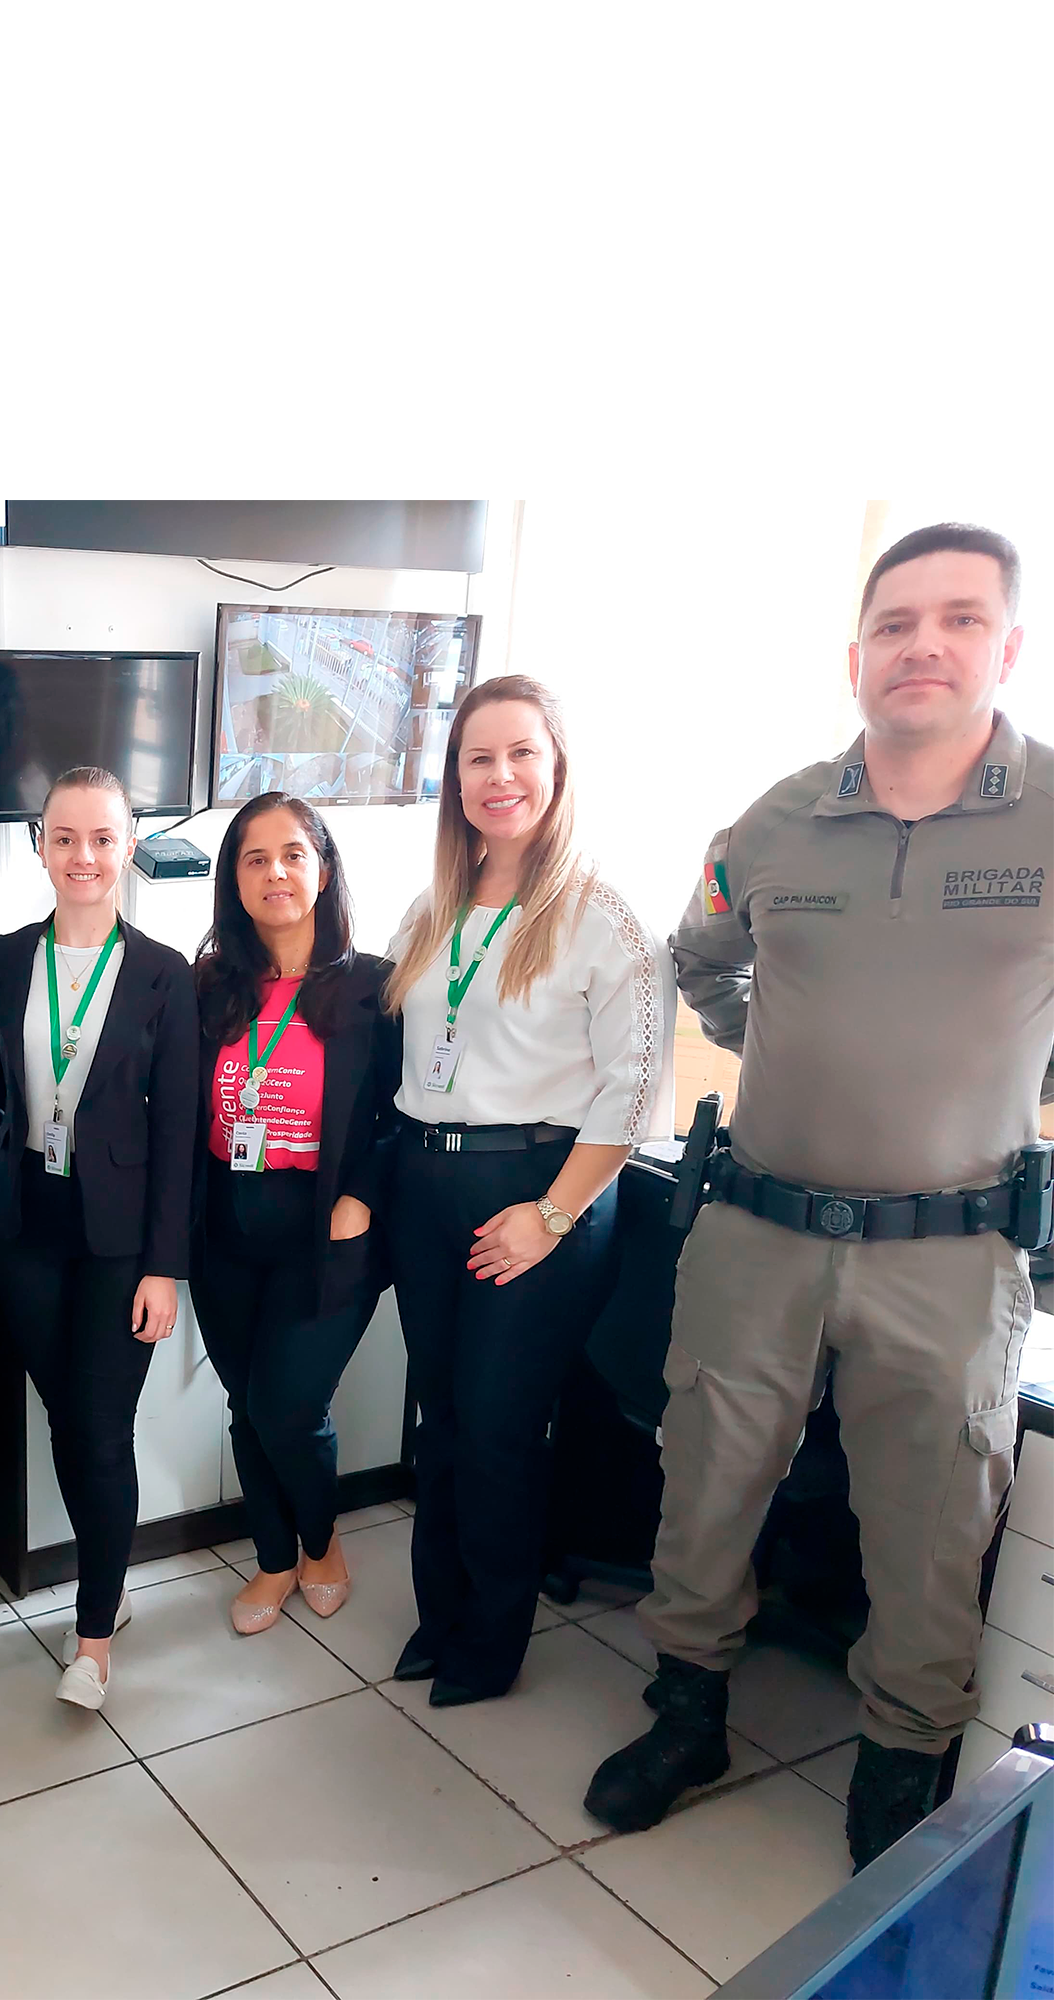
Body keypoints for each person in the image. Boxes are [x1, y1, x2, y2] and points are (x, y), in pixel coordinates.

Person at [586, 523, 1054, 1870]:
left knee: (931, 1528)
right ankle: (685, 1714)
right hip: (759, 1229)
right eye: (894, 623)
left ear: (1007, 645)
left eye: (958, 619)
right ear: (856, 657)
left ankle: (901, 1767)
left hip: (949, 1250)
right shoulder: (773, 821)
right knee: (703, 1489)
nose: (923, 645)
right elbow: (704, 960)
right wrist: (783, 1050)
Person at [385, 675, 673, 1707]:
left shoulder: (601, 918)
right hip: (427, 1181)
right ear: (454, 778)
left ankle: (490, 1638)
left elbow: (632, 1091)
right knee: (443, 1420)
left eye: (521, 754)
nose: (498, 776)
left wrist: (551, 1214)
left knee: (500, 1426)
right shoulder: (433, 908)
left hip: (539, 1190)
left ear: (556, 770)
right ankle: (440, 1614)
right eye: (478, 757)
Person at [0, 766, 199, 1707]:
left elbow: (177, 1133)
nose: (83, 856)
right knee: (70, 1418)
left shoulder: (164, 972)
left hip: (119, 1242)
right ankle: (111, 1580)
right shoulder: (9, 957)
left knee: (98, 1427)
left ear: (129, 846)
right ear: (40, 846)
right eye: (64, 838)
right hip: (27, 1231)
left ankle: (93, 1636)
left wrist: (165, 1267)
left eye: (102, 838)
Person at [189, 792, 397, 1635]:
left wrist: (361, 1198)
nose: (275, 872)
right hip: (225, 1221)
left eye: (292, 854)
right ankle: (274, 1558)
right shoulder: (209, 985)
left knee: (289, 1406)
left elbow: (402, 1113)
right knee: (247, 1404)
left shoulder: (375, 985)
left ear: (323, 869)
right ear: (234, 880)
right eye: (254, 858)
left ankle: (321, 1539)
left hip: (326, 1227)